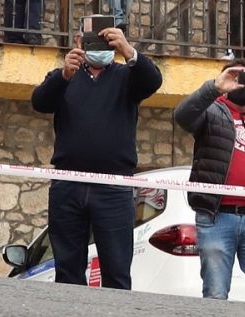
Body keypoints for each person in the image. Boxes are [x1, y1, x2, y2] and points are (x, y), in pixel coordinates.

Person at [31, 22, 162, 289]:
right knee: (67, 270)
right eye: (93, 40)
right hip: (68, 185)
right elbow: (40, 102)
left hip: (114, 188)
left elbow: (153, 81)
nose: (99, 46)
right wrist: (63, 75)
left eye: (106, 40)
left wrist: (128, 50)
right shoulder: (65, 76)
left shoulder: (127, 77)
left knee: (116, 271)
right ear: (79, 41)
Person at [173, 60, 245, 304]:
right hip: (216, 217)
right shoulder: (211, 113)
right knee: (215, 295)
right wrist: (215, 86)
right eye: (239, 78)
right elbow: (182, 115)